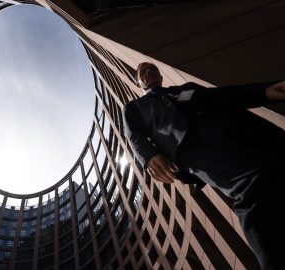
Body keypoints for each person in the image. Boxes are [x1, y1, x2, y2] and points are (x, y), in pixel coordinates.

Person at [122, 62, 285, 270]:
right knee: (253, 182)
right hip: (194, 150)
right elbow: (134, 136)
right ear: (137, 82)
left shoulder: (188, 88)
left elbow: (227, 95)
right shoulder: (134, 108)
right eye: (142, 71)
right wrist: (150, 156)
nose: (148, 71)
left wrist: (265, 91)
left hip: (243, 131)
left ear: (161, 75)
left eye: (152, 68)